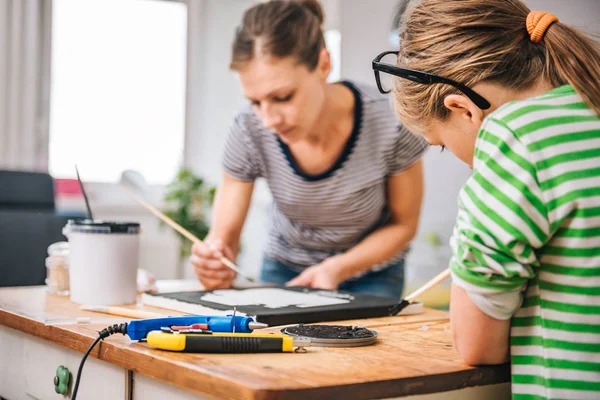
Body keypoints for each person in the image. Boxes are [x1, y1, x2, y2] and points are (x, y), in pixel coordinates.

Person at [373, 0, 600, 398]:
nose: (462, 161)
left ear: (463, 109)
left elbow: (479, 346)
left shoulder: (514, 138)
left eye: (441, 145)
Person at [190, 0, 428, 299]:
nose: (268, 119)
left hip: (372, 275)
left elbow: (404, 225)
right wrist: (215, 260)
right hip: (284, 270)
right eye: (255, 101)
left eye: (283, 97)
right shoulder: (248, 129)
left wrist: (337, 269)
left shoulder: (390, 122)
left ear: (323, 65)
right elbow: (223, 239)